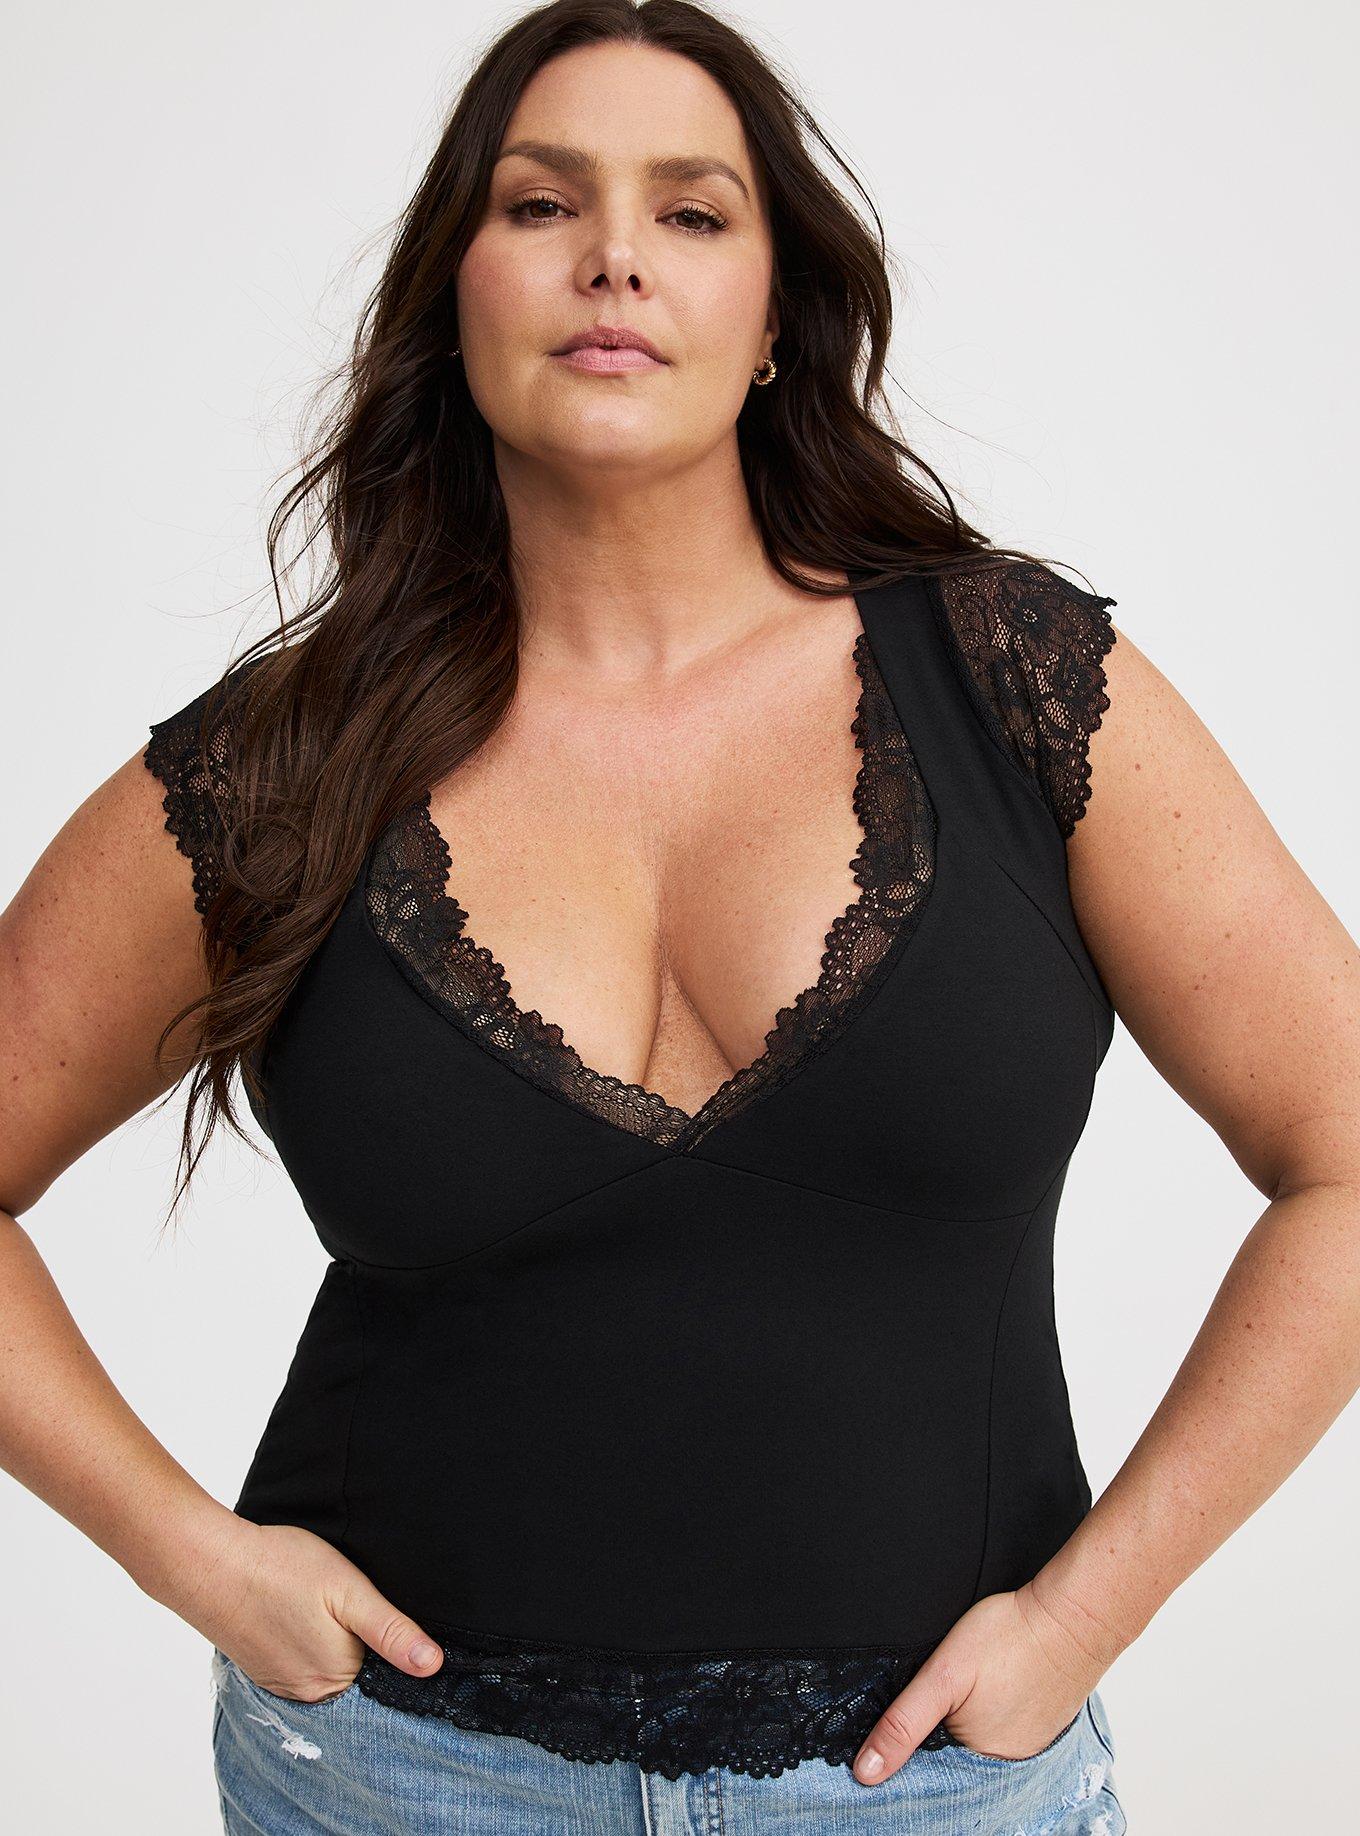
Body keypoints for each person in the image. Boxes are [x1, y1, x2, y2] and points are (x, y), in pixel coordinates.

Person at [4, 3, 1357, 1831]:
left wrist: (1084, 1615)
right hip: (399, 1782)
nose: (616, 256)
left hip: (933, 1794)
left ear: (777, 314)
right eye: (541, 203)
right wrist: (191, 1557)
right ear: (455, 291)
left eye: (694, 211)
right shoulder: (284, 762)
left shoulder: (1014, 683)